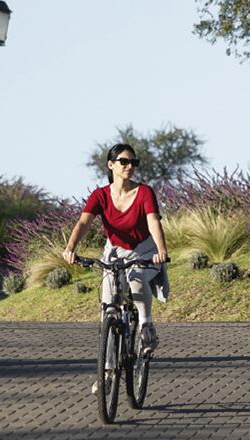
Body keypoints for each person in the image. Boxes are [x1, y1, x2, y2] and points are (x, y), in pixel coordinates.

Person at [62, 143, 169, 362]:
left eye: (133, 162)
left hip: (144, 250)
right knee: (109, 308)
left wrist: (161, 251)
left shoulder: (144, 192)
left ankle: (146, 327)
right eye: (124, 161)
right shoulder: (100, 195)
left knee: (137, 278)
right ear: (111, 165)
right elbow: (84, 222)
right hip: (114, 252)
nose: (129, 166)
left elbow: (153, 222)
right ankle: (108, 372)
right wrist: (70, 248)